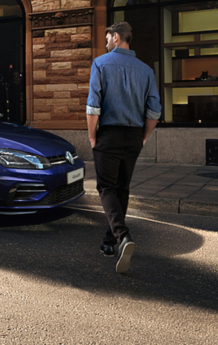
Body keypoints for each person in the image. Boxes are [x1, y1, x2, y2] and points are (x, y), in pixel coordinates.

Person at [86, 22, 161, 274]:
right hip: (133, 136)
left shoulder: (101, 63)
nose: (106, 42)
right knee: (122, 188)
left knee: (106, 188)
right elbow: (154, 111)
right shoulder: (146, 70)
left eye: (108, 38)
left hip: (108, 133)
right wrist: (144, 137)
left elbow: (93, 106)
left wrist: (92, 137)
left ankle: (123, 235)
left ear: (116, 37)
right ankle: (110, 242)